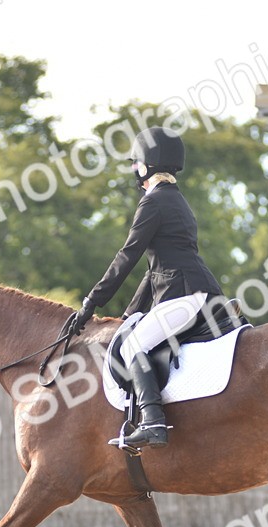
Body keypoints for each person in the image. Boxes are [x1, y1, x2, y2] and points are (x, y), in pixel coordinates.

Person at [69, 126, 224, 449]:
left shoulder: (152, 203)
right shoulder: (178, 201)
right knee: (135, 335)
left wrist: (91, 303)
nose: (134, 170)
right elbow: (154, 268)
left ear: (147, 165)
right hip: (199, 291)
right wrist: (130, 312)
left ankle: (153, 421)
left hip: (183, 295)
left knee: (131, 347)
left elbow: (127, 257)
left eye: (135, 163)